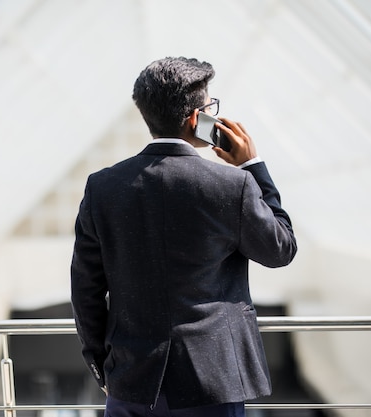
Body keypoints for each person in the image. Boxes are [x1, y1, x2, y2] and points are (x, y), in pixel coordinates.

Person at [70, 57, 297, 417]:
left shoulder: (102, 187)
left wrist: (103, 366)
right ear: (197, 118)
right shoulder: (231, 185)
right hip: (212, 384)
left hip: (130, 382)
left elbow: (86, 289)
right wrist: (253, 167)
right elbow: (280, 248)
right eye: (210, 109)